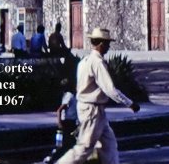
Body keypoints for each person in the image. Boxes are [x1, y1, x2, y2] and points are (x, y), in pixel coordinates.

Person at [57, 28, 140, 164]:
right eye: (107, 44)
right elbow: (110, 89)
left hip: (93, 109)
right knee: (85, 147)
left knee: (109, 144)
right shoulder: (97, 63)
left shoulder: (84, 61)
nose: (108, 47)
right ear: (101, 44)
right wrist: (130, 103)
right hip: (92, 110)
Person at [44, 77, 79, 163]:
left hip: (71, 122)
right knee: (64, 144)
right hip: (67, 123)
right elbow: (60, 110)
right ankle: (51, 159)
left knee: (70, 143)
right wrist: (59, 122)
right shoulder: (69, 96)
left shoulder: (71, 95)